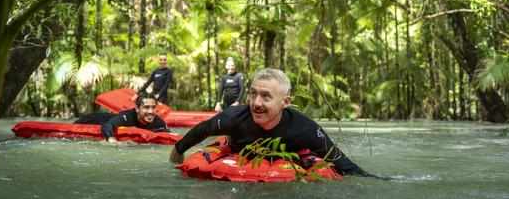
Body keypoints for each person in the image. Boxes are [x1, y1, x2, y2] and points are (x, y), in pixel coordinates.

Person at [169, 69, 374, 177]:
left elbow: (346, 166)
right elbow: (200, 132)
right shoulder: (233, 117)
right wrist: (177, 154)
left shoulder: (305, 129)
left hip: (285, 160)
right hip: (238, 153)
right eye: (253, 94)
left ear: (285, 102)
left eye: (266, 96)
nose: (256, 103)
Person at [75, 93, 169, 143]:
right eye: (146, 107)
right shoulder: (127, 116)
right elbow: (107, 125)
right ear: (137, 108)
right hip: (94, 119)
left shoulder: (158, 122)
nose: (151, 112)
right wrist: (112, 140)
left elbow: (169, 134)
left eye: (153, 107)